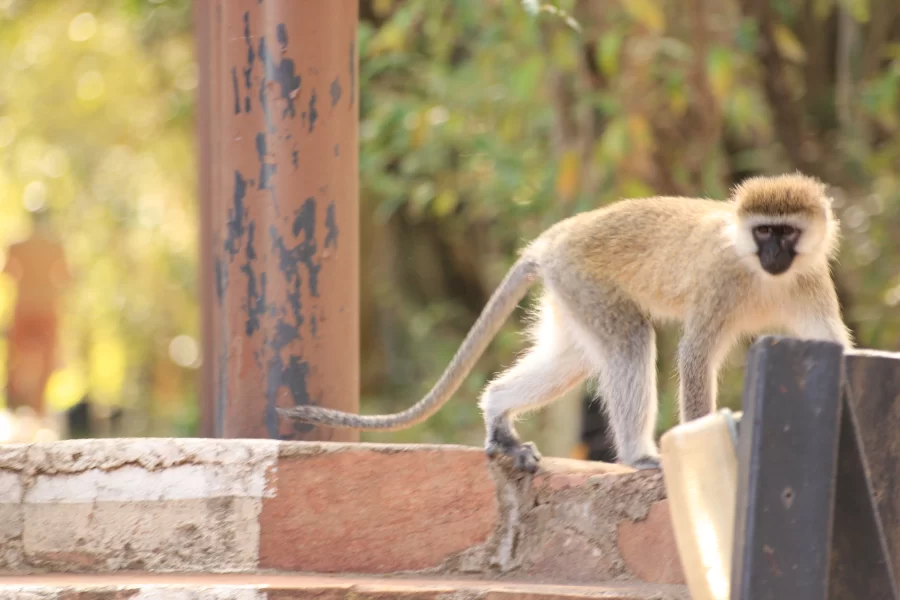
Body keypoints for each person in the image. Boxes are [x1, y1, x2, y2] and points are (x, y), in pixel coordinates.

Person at [2, 209, 71, 418]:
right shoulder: (54, 245)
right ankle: (38, 409)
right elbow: (66, 276)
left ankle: (14, 402)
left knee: (14, 356)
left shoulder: (18, 245)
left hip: (24, 307)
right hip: (47, 309)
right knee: (48, 358)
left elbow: (7, 272)